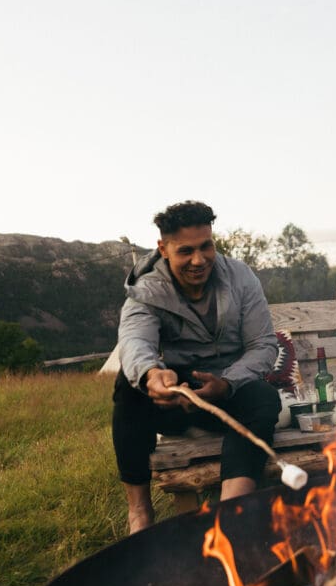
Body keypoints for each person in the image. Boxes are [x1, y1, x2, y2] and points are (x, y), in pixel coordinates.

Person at [112, 200, 280, 533]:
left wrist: (227, 383)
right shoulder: (146, 290)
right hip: (180, 395)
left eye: (207, 247)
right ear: (163, 249)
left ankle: (232, 513)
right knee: (126, 387)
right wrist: (152, 376)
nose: (199, 260)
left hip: (230, 388)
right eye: (185, 251)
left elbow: (263, 346)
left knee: (264, 398)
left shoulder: (241, 277)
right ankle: (140, 514)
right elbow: (135, 342)